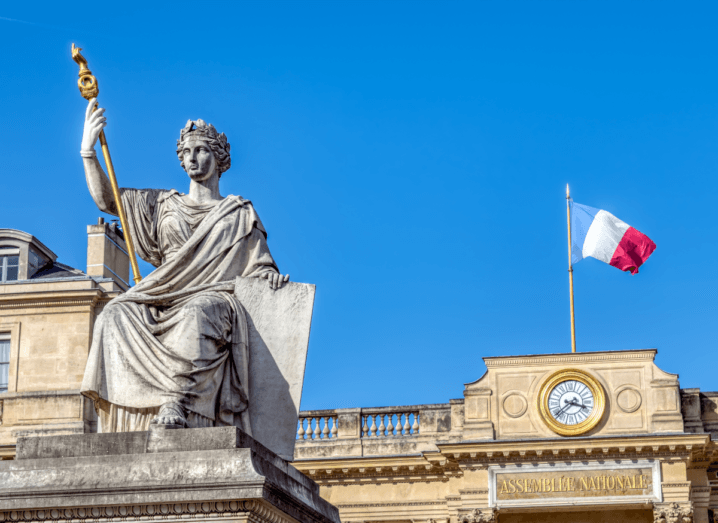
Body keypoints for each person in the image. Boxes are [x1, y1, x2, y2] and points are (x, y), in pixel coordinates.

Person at [79, 98, 289, 432]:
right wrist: (88, 153)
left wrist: (271, 279)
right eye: (186, 152)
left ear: (219, 159)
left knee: (197, 312)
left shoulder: (237, 213)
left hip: (213, 298)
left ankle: (176, 401)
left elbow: (259, 266)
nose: (192, 157)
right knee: (114, 314)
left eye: (201, 150)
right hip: (162, 294)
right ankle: (123, 418)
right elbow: (108, 200)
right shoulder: (162, 203)